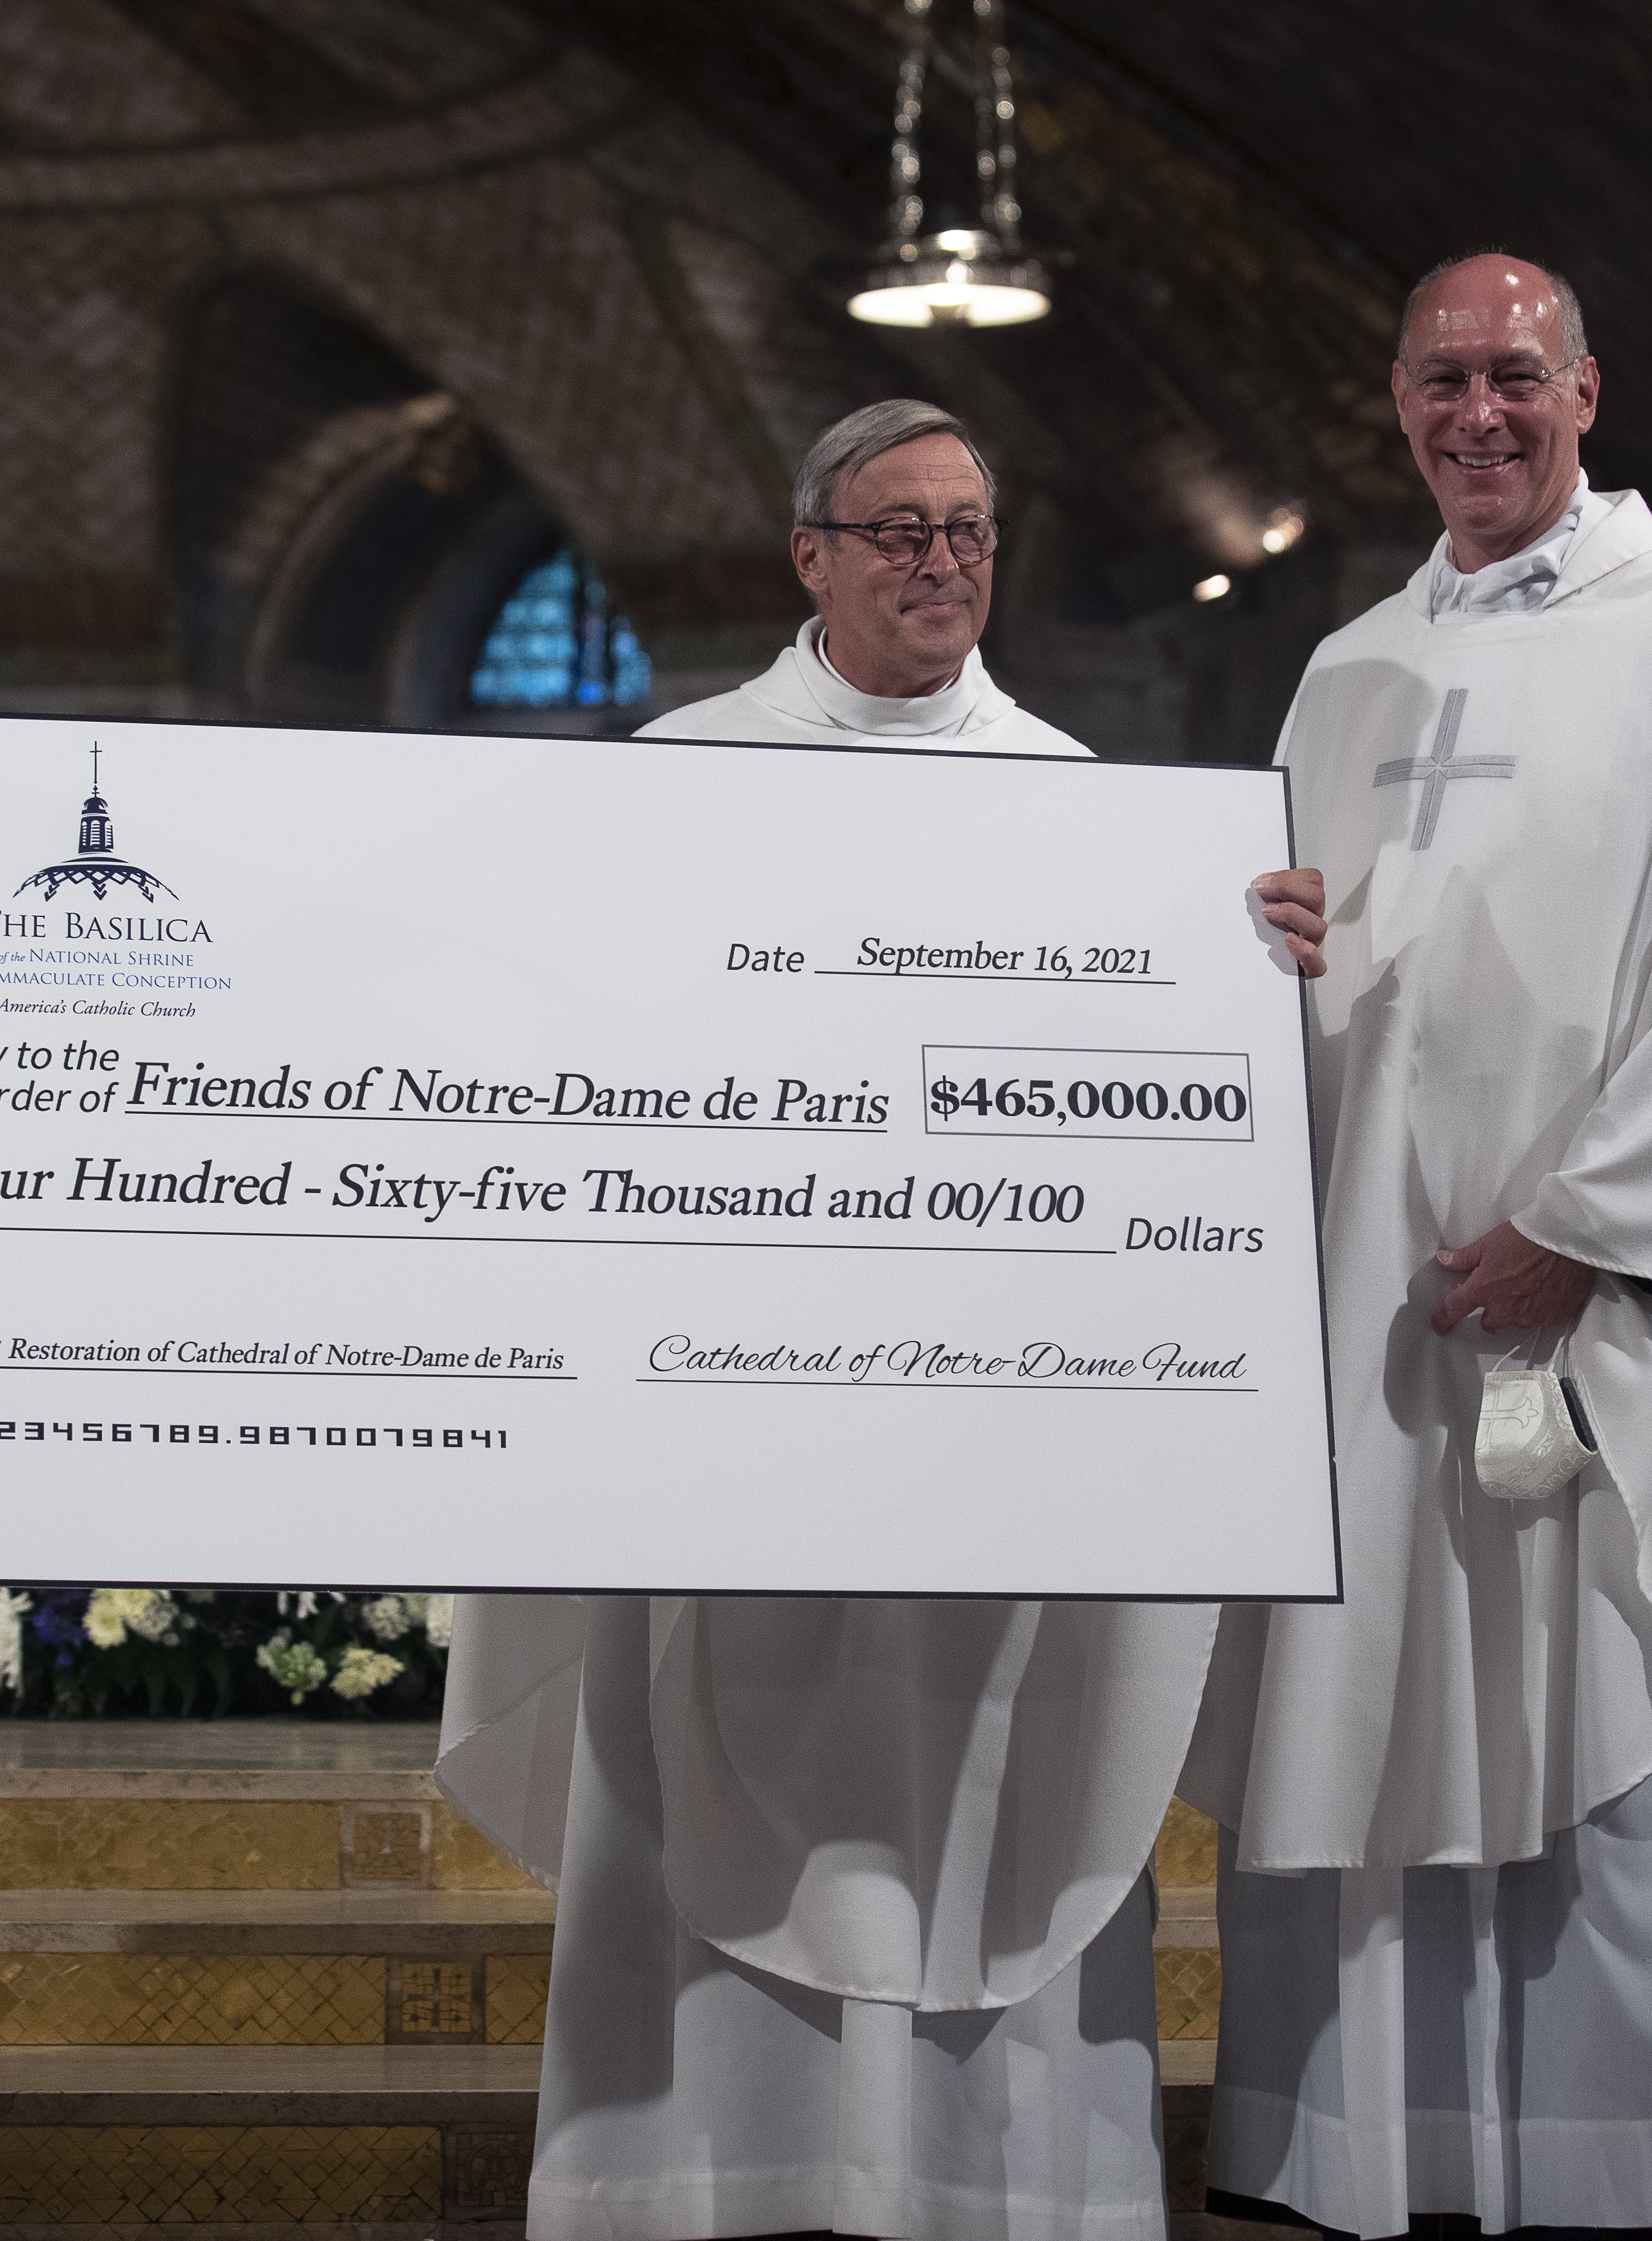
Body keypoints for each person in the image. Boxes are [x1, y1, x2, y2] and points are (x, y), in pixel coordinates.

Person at [437, 398, 1326, 2241]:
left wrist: (1251, 974)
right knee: (699, 1810)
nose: (941, 562)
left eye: (969, 531)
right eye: (899, 529)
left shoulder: (1098, 808)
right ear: (812, 558)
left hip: (990, 1471)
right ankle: (706, 2188)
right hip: (728, 1447)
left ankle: (987, 2195)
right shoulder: (676, 774)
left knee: (987, 1805)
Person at [1182, 252, 1652, 2240]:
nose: (1479, 415)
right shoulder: (1345, 668)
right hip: (1381, 1332)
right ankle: (1383, 2152)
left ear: (1588, 389)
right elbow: (1311, 980)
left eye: (1516, 376)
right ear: (1400, 402)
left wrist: (1583, 1236)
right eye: (1443, 382)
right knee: (1388, 1710)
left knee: (1627, 1724)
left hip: (1629, 1335)